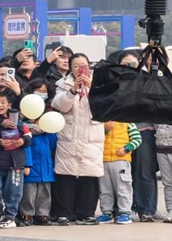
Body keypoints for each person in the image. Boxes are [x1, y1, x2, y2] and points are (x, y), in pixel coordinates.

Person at [51, 52, 104, 226]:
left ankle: (86, 213)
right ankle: (64, 213)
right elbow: (60, 106)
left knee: (89, 176)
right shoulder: (62, 84)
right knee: (66, 176)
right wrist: (73, 89)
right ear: (71, 68)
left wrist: (92, 89)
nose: (80, 69)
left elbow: (104, 107)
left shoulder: (100, 83)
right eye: (76, 66)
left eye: (84, 65)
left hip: (91, 137)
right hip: (69, 135)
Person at [119, 51, 159, 223]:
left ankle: (147, 209)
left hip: (144, 131)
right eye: (125, 64)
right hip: (119, 133)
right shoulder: (114, 82)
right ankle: (119, 209)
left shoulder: (149, 82)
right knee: (119, 173)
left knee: (144, 172)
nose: (129, 67)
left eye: (133, 64)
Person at [0, 93, 30, 228]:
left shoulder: (18, 122)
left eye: (3, 102)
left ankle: (10, 217)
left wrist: (22, 141)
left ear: (9, 105)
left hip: (15, 164)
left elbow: (28, 137)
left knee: (14, 192)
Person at [19, 78, 57, 226]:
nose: (41, 94)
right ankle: (26, 214)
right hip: (30, 161)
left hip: (45, 162)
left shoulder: (49, 115)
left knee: (44, 191)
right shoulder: (23, 118)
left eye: (44, 92)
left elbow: (53, 142)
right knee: (29, 191)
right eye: (38, 91)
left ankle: (42, 214)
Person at [97, 121, 141, 225]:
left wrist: (127, 148)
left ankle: (125, 212)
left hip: (121, 160)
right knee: (105, 189)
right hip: (103, 160)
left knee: (123, 187)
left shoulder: (128, 122)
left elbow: (137, 139)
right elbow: (96, 137)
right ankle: (107, 213)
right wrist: (105, 129)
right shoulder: (102, 122)